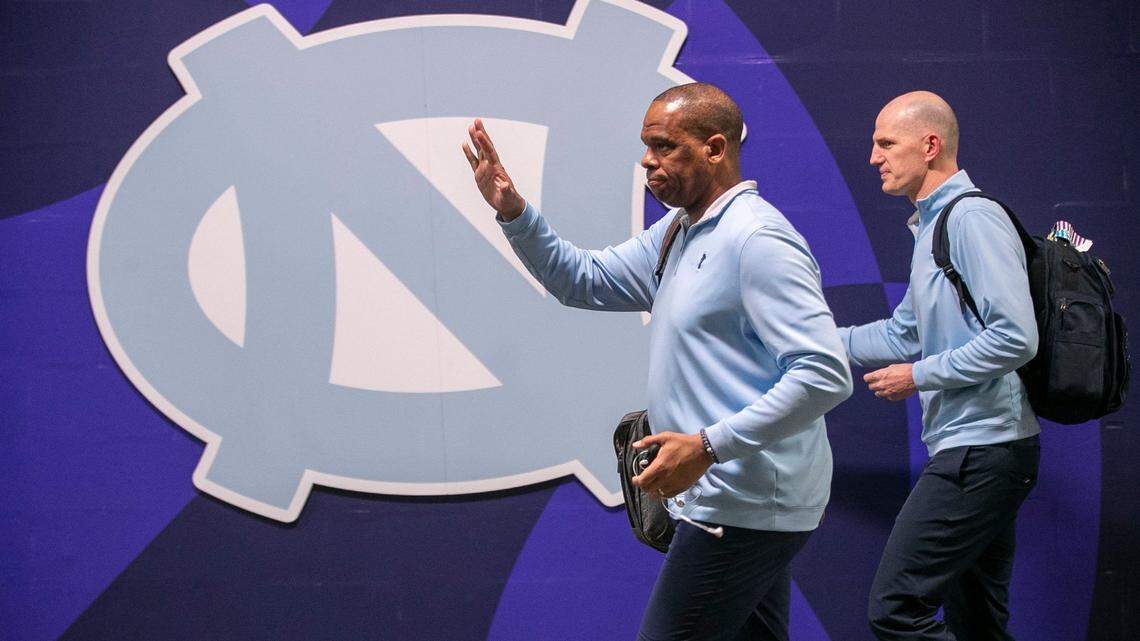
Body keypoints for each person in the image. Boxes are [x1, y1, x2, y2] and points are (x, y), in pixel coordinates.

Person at [463, 82, 852, 641]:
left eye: (664, 145)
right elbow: (583, 280)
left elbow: (825, 374)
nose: (647, 159)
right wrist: (514, 211)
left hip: (740, 506)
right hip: (732, 500)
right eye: (647, 145)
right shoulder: (679, 231)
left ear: (715, 149)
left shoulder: (758, 240)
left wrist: (708, 445)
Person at [838, 91, 1041, 640]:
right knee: (978, 625)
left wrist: (919, 375)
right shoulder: (932, 229)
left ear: (930, 146)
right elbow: (903, 332)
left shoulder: (971, 219)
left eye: (886, 143)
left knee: (895, 609)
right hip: (977, 450)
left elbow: (1016, 338)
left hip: (983, 451)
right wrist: (804, 343)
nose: (873, 157)